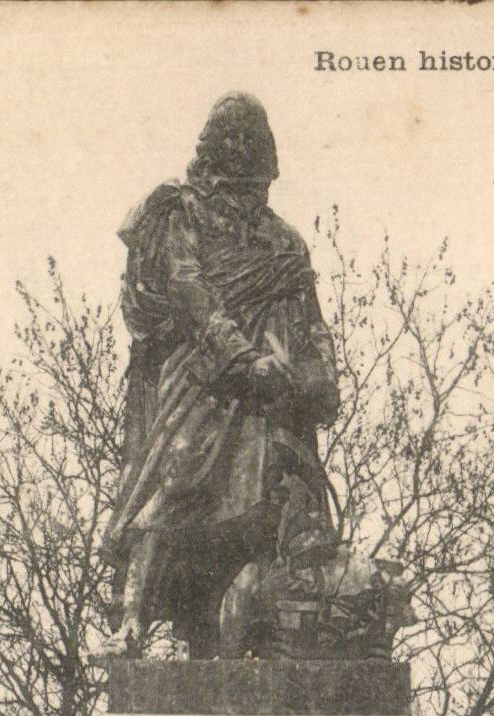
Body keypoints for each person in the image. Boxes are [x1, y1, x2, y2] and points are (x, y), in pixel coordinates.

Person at [104, 93, 340, 658]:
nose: (241, 158)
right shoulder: (182, 214)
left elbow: (312, 323)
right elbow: (191, 293)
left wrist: (323, 378)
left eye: (251, 143)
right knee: (176, 480)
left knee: (284, 504)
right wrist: (241, 360)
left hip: (275, 394)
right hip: (208, 377)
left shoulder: (285, 241)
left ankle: (278, 635)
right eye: (231, 143)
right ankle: (132, 621)